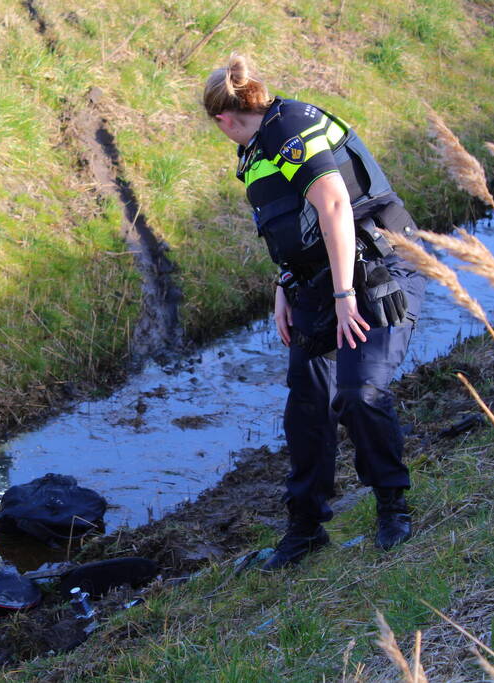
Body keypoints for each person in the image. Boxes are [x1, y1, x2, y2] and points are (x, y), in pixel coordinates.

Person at [204, 54, 427, 570]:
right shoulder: (254, 152)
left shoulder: (290, 128)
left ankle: (392, 508)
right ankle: (305, 530)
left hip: (377, 270)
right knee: (307, 406)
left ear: (223, 118)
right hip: (316, 281)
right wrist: (284, 283)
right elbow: (293, 228)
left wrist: (346, 297)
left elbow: (334, 207)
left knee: (359, 391)